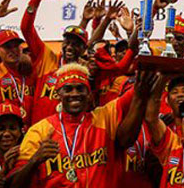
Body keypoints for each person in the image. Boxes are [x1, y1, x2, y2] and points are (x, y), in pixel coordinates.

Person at [10, 63, 156, 187]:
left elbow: (139, 89)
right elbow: (14, 184)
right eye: (68, 89)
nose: (75, 94)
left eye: (80, 88)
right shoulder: (39, 131)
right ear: (58, 94)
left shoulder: (104, 117)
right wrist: (35, 160)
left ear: (89, 94)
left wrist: (152, 66)